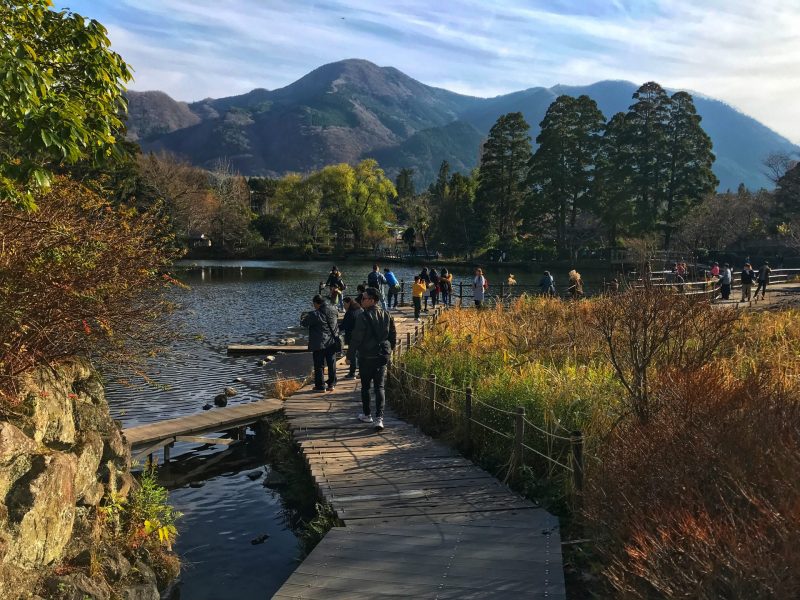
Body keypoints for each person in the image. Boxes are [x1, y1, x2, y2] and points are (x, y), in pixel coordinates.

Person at [347, 287, 396, 431]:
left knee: (366, 387)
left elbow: (356, 338)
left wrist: (350, 356)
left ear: (372, 300)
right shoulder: (386, 314)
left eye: (363, 298)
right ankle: (379, 418)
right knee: (379, 387)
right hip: (381, 356)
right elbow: (393, 335)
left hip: (366, 356)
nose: (361, 300)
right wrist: (389, 349)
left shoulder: (362, 317)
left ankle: (367, 414)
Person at [300, 294, 339, 392]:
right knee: (332, 363)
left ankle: (320, 386)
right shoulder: (334, 309)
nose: (313, 306)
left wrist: (304, 316)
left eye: (314, 304)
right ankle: (332, 384)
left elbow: (304, 323)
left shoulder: (315, 314)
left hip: (319, 343)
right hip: (332, 341)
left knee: (319, 365)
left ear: (317, 303)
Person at [341, 297, 363, 378]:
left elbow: (344, 325)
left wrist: (335, 328)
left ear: (349, 303)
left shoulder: (349, 313)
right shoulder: (360, 310)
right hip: (362, 335)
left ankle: (352, 373)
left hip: (352, 336)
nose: (344, 306)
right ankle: (361, 372)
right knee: (360, 354)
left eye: (344, 304)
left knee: (352, 354)